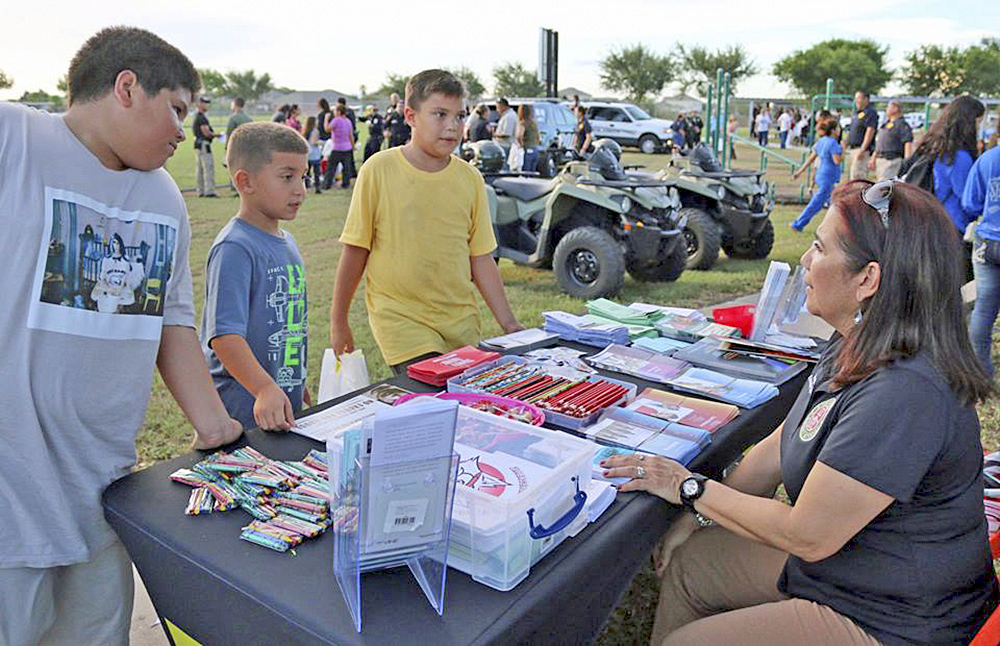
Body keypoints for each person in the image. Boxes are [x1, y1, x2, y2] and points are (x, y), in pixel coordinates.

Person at [605, 179, 999, 646]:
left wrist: (687, 487)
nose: (806, 261)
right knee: (694, 563)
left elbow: (807, 534)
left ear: (867, 280)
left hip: (895, 618)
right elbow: (781, 443)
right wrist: (696, 517)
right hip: (851, 568)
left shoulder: (904, 391)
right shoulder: (857, 341)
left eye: (818, 247)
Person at [0, 26, 242, 645]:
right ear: (128, 87)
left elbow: (173, 321)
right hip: (10, 495)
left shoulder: (163, 194)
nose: (183, 131)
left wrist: (214, 427)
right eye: (178, 109)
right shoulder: (16, 138)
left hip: (104, 492)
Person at [329, 69, 523, 373]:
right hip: (402, 322)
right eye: (439, 114)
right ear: (410, 116)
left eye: (459, 116)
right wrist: (338, 320)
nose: (452, 126)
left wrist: (509, 323)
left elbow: (481, 258)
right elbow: (355, 250)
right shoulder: (378, 170)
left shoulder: (470, 178)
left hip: (461, 325)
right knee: (431, 400)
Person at [201, 121, 311, 433]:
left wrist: (294, 381)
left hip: (280, 405)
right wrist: (264, 388)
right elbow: (224, 337)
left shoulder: (287, 241)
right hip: (243, 411)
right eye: (287, 177)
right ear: (245, 181)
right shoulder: (235, 247)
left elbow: (290, 324)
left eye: (303, 176)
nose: (300, 189)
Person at [964, 144, 1000, 376]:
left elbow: (970, 203)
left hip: (987, 241)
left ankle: (979, 371)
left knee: (984, 310)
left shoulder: (988, 158)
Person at [790, 117, 842, 231]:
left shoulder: (821, 142)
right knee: (816, 203)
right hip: (828, 176)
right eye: (838, 128)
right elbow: (837, 161)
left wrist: (799, 172)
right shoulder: (833, 144)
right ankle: (798, 223)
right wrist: (842, 149)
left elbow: (810, 159)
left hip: (821, 174)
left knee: (835, 201)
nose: (839, 130)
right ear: (833, 130)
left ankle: (838, 226)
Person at [91, 232, 146, 313]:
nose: (115, 245)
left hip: (120, 289)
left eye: (117, 243)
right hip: (108, 288)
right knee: (94, 296)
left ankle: (115, 304)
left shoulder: (125, 259)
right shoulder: (106, 260)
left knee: (131, 299)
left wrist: (121, 288)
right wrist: (109, 289)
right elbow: (102, 278)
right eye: (113, 242)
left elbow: (126, 278)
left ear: (121, 244)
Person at [867, 100, 913, 181]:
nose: (886, 109)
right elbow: (879, 143)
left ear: (895, 109)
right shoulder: (886, 124)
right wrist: (873, 158)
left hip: (892, 161)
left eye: (889, 107)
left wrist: (907, 163)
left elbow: (907, 143)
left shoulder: (902, 125)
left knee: (884, 187)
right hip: (881, 160)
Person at [847, 91, 878, 180]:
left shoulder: (870, 112)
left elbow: (870, 130)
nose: (856, 101)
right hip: (853, 148)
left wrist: (863, 148)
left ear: (866, 99)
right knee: (853, 176)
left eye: (859, 98)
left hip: (861, 149)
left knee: (858, 176)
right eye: (855, 98)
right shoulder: (857, 113)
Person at [193, 95, 220, 197]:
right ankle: (210, 191)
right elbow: (206, 133)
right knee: (208, 167)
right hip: (204, 144)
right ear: (199, 104)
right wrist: (217, 135)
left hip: (198, 144)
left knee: (199, 168)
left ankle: (200, 190)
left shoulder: (197, 116)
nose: (207, 105)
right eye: (205, 103)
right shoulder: (202, 117)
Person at [325, 104, 355, 189]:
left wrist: (326, 119)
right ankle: (346, 184)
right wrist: (352, 146)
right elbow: (351, 135)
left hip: (337, 147)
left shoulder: (336, 120)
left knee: (331, 167)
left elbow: (327, 129)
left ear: (338, 112)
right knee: (346, 168)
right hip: (347, 147)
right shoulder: (348, 121)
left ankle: (327, 184)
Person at [517, 103, 540, 173]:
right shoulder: (534, 123)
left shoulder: (523, 123)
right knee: (532, 171)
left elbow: (519, 136)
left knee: (525, 172)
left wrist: (520, 145)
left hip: (527, 149)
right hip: (535, 149)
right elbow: (538, 137)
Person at [302, 116, 323, 193]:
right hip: (315, 154)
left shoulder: (305, 131)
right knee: (317, 172)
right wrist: (320, 142)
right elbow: (314, 142)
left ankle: (306, 185)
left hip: (308, 153)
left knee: (307, 171)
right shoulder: (315, 131)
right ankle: (317, 187)